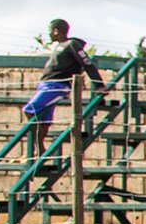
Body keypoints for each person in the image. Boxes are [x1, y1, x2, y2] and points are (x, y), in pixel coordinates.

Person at [22, 25, 104, 155]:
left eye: (50, 30)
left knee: (30, 109)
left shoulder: (71, 44)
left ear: (56, 30)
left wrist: (99, 84)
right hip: (46, 84)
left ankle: (38, 146)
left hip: (56, 85)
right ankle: (39, 150)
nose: (49, 34)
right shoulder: (59, 46)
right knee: (43, 118)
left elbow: (86, 63)